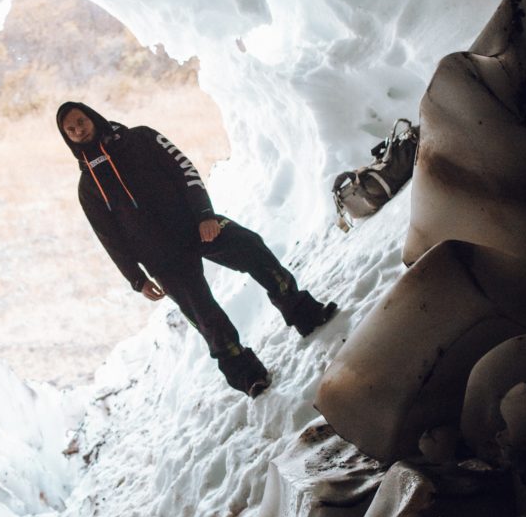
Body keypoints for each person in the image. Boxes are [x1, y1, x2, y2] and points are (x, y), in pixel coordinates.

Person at [57, 100, 337, 396]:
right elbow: (109, 237)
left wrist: (204, 215)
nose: (78, 130)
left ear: (93, 117)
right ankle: (248, 377)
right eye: (71, 130)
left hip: (195, 226)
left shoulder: (141, 137)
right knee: (207, 318)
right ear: (67, 137)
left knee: (252, 248)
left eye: (81, 122)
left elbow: (185, 170)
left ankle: (304, 313)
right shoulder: (87, 187)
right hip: (161, 259)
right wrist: (136, 279)